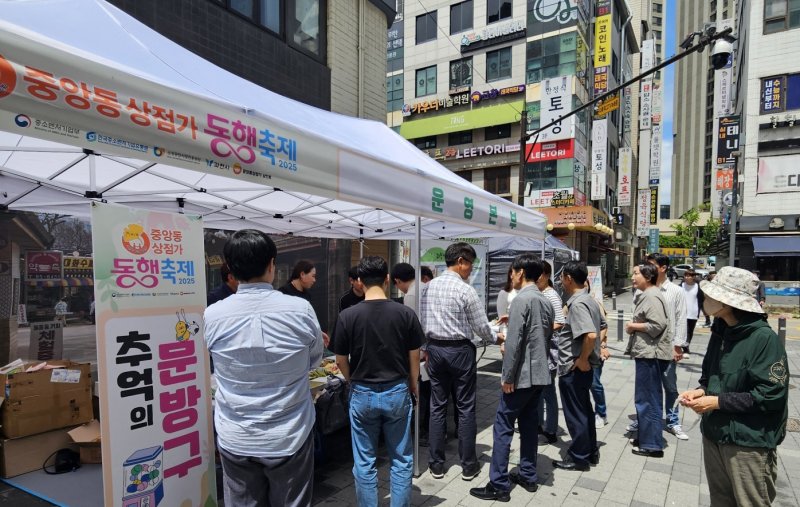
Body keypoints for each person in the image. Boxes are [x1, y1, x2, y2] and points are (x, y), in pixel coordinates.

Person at [204, 229, 323, 507]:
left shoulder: (212, 314)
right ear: (272, 264)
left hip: (236, 434)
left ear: (231, 269)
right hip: (289, 434)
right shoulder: (300, 309)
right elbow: (314, 360)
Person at [680, 267, 788, 506]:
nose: (705, 299)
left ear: (728, 302)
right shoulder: (720, 331)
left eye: (712, 295)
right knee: (720, 501)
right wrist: (702, 391)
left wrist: (717, 401)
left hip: (748, 443)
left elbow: (771, 395)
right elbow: (711, 374)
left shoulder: (763, 339)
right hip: (715, 433)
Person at [331, 256, 422, 507]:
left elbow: (340, 359)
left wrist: (351, 381)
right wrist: (413, 383)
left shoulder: (348, 316)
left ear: (359, 281)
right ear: (387, 279)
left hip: (362, 392)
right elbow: (414, 355)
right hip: (397, 389)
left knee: (364, 461)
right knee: (401, 460)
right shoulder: (405, 313)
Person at [469, 254, 554, 502]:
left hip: (521, 376)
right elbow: (541, 334)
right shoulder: (544, 299)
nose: (511, 277)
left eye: (512, 272)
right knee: (528, 425)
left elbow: (515, 342)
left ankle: (498, 483)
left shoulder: (521, 300)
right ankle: (528, 474)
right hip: (540, 374)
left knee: (503, 426)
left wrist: (507, 376)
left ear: (520, 272)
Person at [420, 242, 504, 481]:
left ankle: (436, 464)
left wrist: (426, 347)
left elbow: (423, 322)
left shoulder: (428, 288)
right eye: (470, 265)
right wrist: (496, 336)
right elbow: (480, 326)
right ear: (460, 262)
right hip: (459, 351)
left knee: (437, 406)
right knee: (465, 407)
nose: (470, 270)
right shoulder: (465, 290)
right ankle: (468, 465)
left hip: (435, 349)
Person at [627, 253, 689, 441]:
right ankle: (644, 420)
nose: (646, 268)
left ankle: (672, 421)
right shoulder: (640, 291)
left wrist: (678, 346)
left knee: (669, 385)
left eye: (651, 265)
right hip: (648, 348)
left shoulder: (675, 291)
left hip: (667, 346)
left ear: (662, 268)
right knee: (648, 389)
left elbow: (680, 318)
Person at [552, 261, 602, 472]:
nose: (561, 282)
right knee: (584, 410)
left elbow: (590, 334)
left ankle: (579, 457)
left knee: (576, 414)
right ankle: (589, 451)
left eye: (562, 278)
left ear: (569, 278)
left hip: (575, 367)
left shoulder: (579, 303)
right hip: (581, 367)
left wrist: (581, 359)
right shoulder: (588, 300)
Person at [626, 264, 670, 458]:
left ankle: (652, 444)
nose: (633, 277)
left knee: (649, 399)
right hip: (646, 352)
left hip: (651, 354)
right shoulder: (649, 294)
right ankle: (646, 436)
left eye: (636, 274)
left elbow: (658, 324)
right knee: (644, 397)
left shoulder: (651, 295)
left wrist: (632, 325)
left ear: (648, 276)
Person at [535, 262, 565, 444]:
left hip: (549, 350)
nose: (536, 278)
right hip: (540, 349)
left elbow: (560, 322)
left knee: (547, 391)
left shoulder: (551, 295)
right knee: (538, 391)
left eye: (538, 275)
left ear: (546, 275)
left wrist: (540, 331)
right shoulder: (540, 293)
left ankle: (551, 430)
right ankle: (538, 424)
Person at [586, 280, 610, 429]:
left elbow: (604, 325)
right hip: (581, 351)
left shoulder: (594, 303)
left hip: (596, 350)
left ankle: (601, 413)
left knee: (595, 384)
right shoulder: (571, 303)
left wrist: (601, 344)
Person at [679, 269, 704, 356]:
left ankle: (686, 346)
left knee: (690, 331)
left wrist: (704, 311)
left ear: (693, 277)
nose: (686, 277)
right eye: (685, 275)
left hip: (693, 312)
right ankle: (685, 348)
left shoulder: (698, 287)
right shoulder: (681, 286)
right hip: (682, 312)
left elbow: (701, 300)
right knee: (683, 330)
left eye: (689, 275)